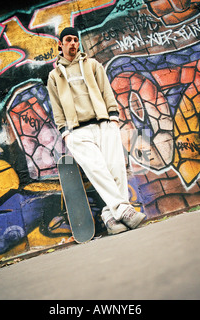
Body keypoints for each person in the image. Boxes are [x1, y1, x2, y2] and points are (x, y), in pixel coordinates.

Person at [47, 27, 146, 235]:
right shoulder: (54, 76)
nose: (73, 43)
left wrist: (113, 116)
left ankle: (110, 216)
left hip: (103, 124)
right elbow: (56, 106)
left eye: (76, 39)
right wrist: (65, 131)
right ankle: (124, 211)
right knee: (98, 171)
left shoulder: (92, 65)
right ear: (60, 44)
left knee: (116, 168)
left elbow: (106, 90)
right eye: (68, 40)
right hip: (77, 131)